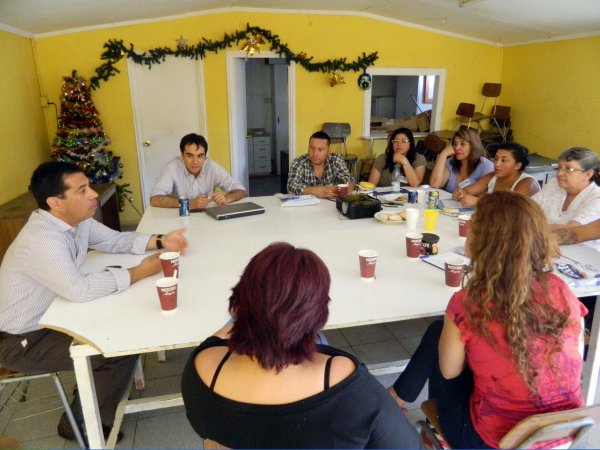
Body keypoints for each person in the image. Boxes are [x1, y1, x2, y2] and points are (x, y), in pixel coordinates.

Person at [0, 161, 188, 442]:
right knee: (117, 346)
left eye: (88, 186)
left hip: (52, 315)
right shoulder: (42, 239)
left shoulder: (77, 222)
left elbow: (115, 241)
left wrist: (162, 241)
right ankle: (79, 421)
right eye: (82, 190)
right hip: (21, 339)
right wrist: (140, 271)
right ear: (55, 202)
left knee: (121, 322)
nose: (93, 194)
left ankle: (91, 389)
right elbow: (79, 290)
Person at [387, 192, 586, 448]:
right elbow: (573, 353)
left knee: (443, 340)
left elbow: (449, 371)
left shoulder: (469, 301)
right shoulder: (561, 289)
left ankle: (415, 415)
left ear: (482, 240)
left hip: (494, 440)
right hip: (562, 434)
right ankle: (397, 397)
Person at [181, 242, 419, 448]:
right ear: (318, 316)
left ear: (238, 301)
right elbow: (407, 445)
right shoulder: (347, 383)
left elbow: (219, 339)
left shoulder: (200, 369)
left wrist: (253, 314)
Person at [150, 133, 246, 209]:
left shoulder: (212, 167)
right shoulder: (171, 168)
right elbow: (154, 199)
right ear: (182, 155)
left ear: (205, 156)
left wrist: (227, 198)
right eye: (190, 155)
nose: (195, 162)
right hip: (178, 216)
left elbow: (241, 190)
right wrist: (188, 204)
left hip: (207, 216)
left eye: (200, 156)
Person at [533, 147, 600, 252]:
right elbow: (528, 208)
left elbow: (570, 230)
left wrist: (529, 226)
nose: (560, 173)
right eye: (559, 168)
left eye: (569, 169)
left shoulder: (596, 197)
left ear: (588, 174)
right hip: (543, 245)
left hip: (581, 255)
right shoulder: (554, 184)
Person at [453, 142, 540, 207]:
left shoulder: (527, 182)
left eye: (503, 160)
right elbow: (468, 190)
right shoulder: (492, 176)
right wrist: (461, 193)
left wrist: (478, 201)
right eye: (496, 159)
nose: (497, 164)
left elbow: (511, 208)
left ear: (517, 165)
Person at [287, 131, 355, 199]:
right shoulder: (299, 162)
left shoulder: (336, 160)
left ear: (328, 151)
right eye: (312, 148)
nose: (315, 154)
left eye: (320, 149)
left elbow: (349, 180)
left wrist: (339, 190)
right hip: (306, 208)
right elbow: (291, 186)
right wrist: (315, 191)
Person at [429, 128, 494, 193]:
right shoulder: (451, 162)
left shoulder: (485, 165)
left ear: (473, 146)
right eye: (455, 143)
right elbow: (435, 185)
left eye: (462, 144)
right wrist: (443, 154)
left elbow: (490, 197)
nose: (457, 148)